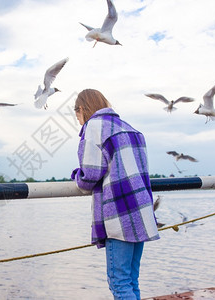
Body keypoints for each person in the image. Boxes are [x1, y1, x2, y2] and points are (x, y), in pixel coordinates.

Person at [71, 89, 160, 300]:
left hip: (119, 215)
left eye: (76, 115)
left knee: (119, 283)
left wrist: (76, 175)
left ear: (82, 109)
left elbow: (90, 176)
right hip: (141, 211)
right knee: (131, 280)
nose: (78, 120)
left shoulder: (93, 126)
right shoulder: (130, 129)